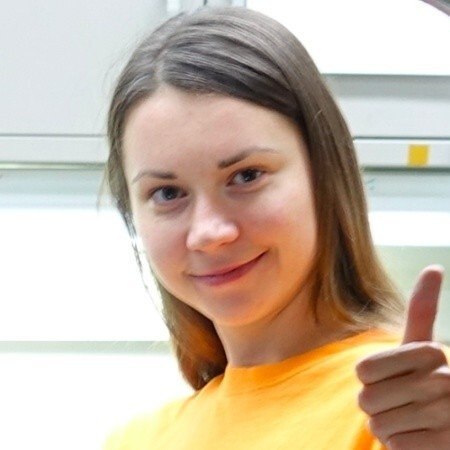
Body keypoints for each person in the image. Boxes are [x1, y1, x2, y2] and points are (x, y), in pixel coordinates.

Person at [103, 6, 450, 450]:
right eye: (167, 193)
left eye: (246, 176)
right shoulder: (136, 439)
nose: (208, 232)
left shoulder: (417, 408)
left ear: (324, 174)